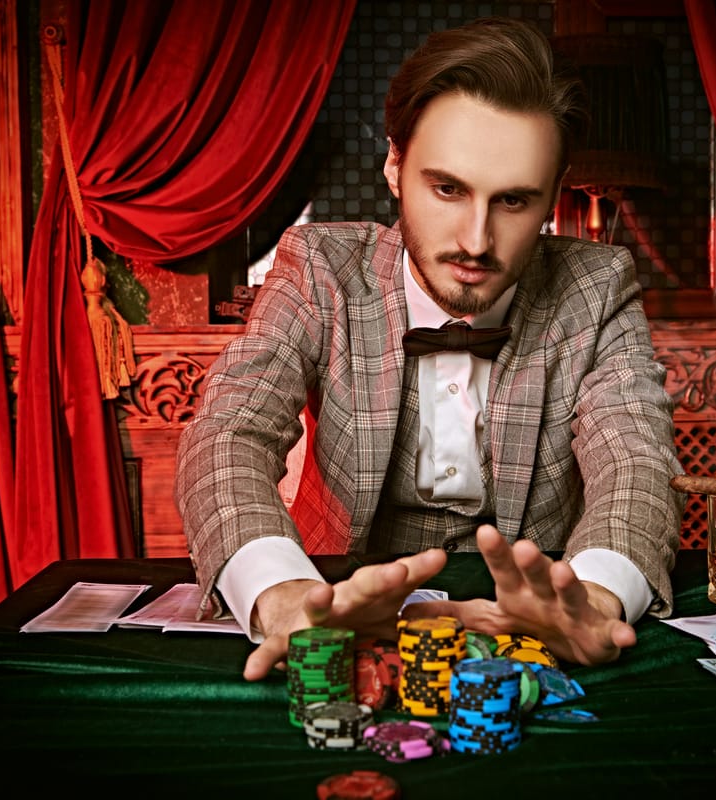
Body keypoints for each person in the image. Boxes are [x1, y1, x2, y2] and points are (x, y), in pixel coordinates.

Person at [175, 16, 684, 681]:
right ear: (394, 165)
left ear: (554, 196)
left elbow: (636, 460)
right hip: (344, 617)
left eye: (514, 200)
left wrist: (592, 598)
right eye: (448, 189)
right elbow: (228, 433)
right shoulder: (319, 268)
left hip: (524, 638)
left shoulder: (597, 285)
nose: (476, 240)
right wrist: (282, 595)